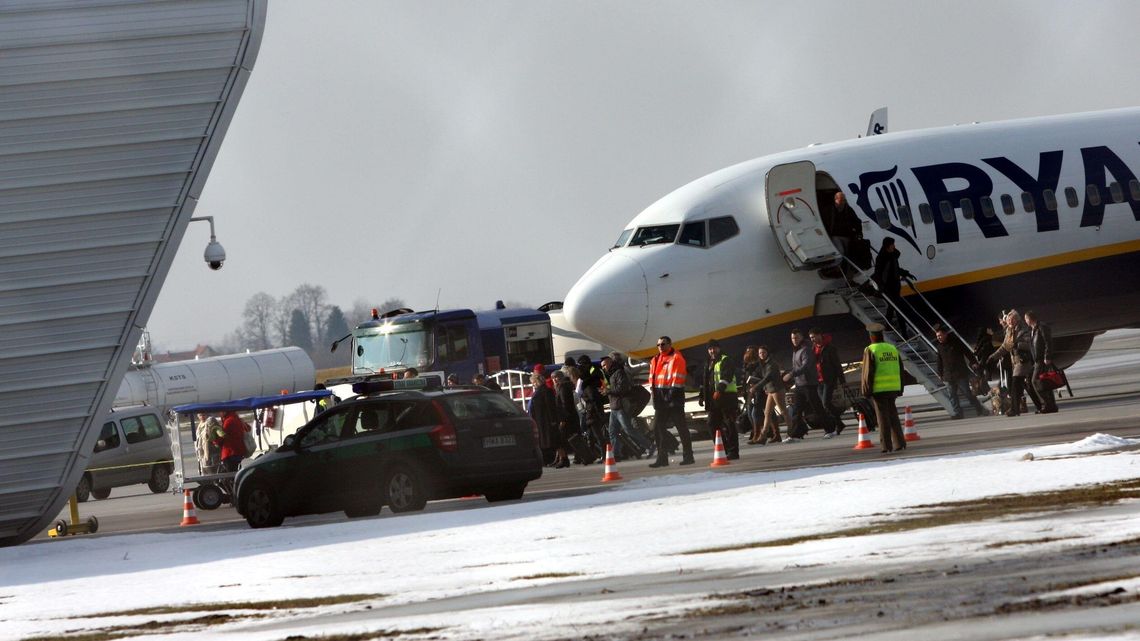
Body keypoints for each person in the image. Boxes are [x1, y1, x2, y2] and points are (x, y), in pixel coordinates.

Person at [860, 324, 906, 453]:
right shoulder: (892, 348)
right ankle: (900, 443)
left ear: (871, 336)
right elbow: (900, 369)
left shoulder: (870, 349)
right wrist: (900, 388)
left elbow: (868, 372)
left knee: (882, 418)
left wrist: (866, 390)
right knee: (893, 416)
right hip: (893, 388)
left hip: (879, 389)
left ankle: (886, 445)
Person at [648, 336, 693, 467]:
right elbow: (652, 380)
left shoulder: (677, 358)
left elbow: (678, 379)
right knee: (657, 428)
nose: (660, 347)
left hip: (674, 398)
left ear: (669, 344)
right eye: (658, 345)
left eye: (663, 344)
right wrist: (656, 397)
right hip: (661, 399)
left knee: (682, 428)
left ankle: (688, 456)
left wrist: (670, 395)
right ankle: (662, 458)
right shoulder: (655, 359)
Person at [783, 328, 836, 439]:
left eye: (796, 337)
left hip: (809, 384)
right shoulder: (795, 350)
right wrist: (788, 373)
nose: (794, 340)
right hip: (799, 385)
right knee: (797, 410)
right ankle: (795, 435)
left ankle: (830, 429)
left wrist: (791, 374)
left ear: (802, 337)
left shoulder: (806, 349)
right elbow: (796, 366)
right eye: (792, 338)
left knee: (817, 408)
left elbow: (806, 366)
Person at [987, 310, 1041, 416]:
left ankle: (1014, 409)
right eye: (1008, 320)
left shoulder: (1023, 330)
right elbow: (1005, 347)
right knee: (1028, 386)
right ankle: (1040, 405)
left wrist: (1018, 345)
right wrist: (993, 357)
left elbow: (1029, 343)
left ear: (1017, 320)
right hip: (1015, 363)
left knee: (1015, 385)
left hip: (1023, 362)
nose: (1010, 322)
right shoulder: (1009, 331)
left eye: (1012, 319)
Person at [935, 326, 988, 419]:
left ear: (945, 334)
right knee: (952, 395)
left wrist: (974, 362)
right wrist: (939, 373)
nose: (938, 338)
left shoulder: (955, 343)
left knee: (967, 393)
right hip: (948, 375)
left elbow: (967, 352)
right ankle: (958, 413)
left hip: (960, 373)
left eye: (940, 335)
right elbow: (939, 361)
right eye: (937, 336)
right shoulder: (939, 347)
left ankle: (979, 408)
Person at [699, 339, 740, 459]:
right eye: (710, 349)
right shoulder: (708, 363)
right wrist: (702, 396)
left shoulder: (725, 359)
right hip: (713, 399)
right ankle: (723, 448)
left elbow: (726, 376)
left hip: (726, 397)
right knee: (712, 423)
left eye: (714, 348)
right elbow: (706, 382)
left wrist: (720, 390)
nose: (712, 351)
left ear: (719, 348)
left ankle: (733, 452)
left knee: (729, 424)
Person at [871, 237, 915, 337]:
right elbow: (877, 273)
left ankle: (888, 325)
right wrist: (881, 287)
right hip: (887, 288)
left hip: (895, 286)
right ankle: (903, 332)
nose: (894, 246)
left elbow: (896, 269)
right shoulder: (882, 258)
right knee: (898, 308)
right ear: (888, 246)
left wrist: (906, 273)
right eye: (892, 245)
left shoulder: (892, 256)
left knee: (892, 307)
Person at [809, 328, 846, 434]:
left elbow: (837, 365)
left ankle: (838, 419)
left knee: (826, 403)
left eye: (813, 337)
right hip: (817, 381)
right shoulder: (813, 348)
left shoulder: (830, 348)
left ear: (819, 335)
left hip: (828, 380)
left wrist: (842, 381)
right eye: (811, 338)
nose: (812, 340)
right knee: (825, 405)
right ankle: (839, 423)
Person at [601, 353, 636, 460]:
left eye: (604, 365)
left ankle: (649, 446)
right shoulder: (610, 373)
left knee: (628, 430)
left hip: (620, 405)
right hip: (614, 406)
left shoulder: (619, 372)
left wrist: (608, 391)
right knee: (613, 431)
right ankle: (617, 454)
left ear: (611, 362)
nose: (603, 367)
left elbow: (621, 388)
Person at [1024, 310, 1059, 414]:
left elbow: (1048, 342)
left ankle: (1047, 405)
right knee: (1044, 382)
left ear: (1030, 319)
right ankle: (1051, 406)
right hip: (1037, 360)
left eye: (1026, 319)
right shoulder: (1033, 329)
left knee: (1035, 381)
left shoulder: (1041, 327)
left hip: (1042, 360)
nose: (1025, 321)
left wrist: (1047, 356)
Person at [753, 345, 785, 445]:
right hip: (770, 390)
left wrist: (756, 387)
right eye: (760, 353)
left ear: (767, 353)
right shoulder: (763, 364)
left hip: (776, 390)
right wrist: (765, 388)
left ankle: (791, 432)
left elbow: (768, 377)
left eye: (763, 353)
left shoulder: (771, 363)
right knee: (767, 413)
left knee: (783, 411)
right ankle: (763, 436)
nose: (761, 355)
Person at [527, 372, 560, 465]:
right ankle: (546, 459)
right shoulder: (538, 391)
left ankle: (549, 459)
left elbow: (550, 406)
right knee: (543, 440)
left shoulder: (546, 391)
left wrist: (553, 420)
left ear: (537, 381)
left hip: (545, 420)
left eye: (533, 382)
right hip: (539, 419)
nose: (533, 384)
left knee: (547, 440)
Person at [549, 371, 575, 467]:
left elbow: (564, 404)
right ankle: (562, 459)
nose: (554, 380)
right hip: (566, 416)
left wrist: (563, 419)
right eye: (553, 378)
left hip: (565, 417)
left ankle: (564, 459)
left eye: (556, 377)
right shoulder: (560, 387)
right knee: (564, 439)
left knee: (560, 440)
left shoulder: (562, 387)